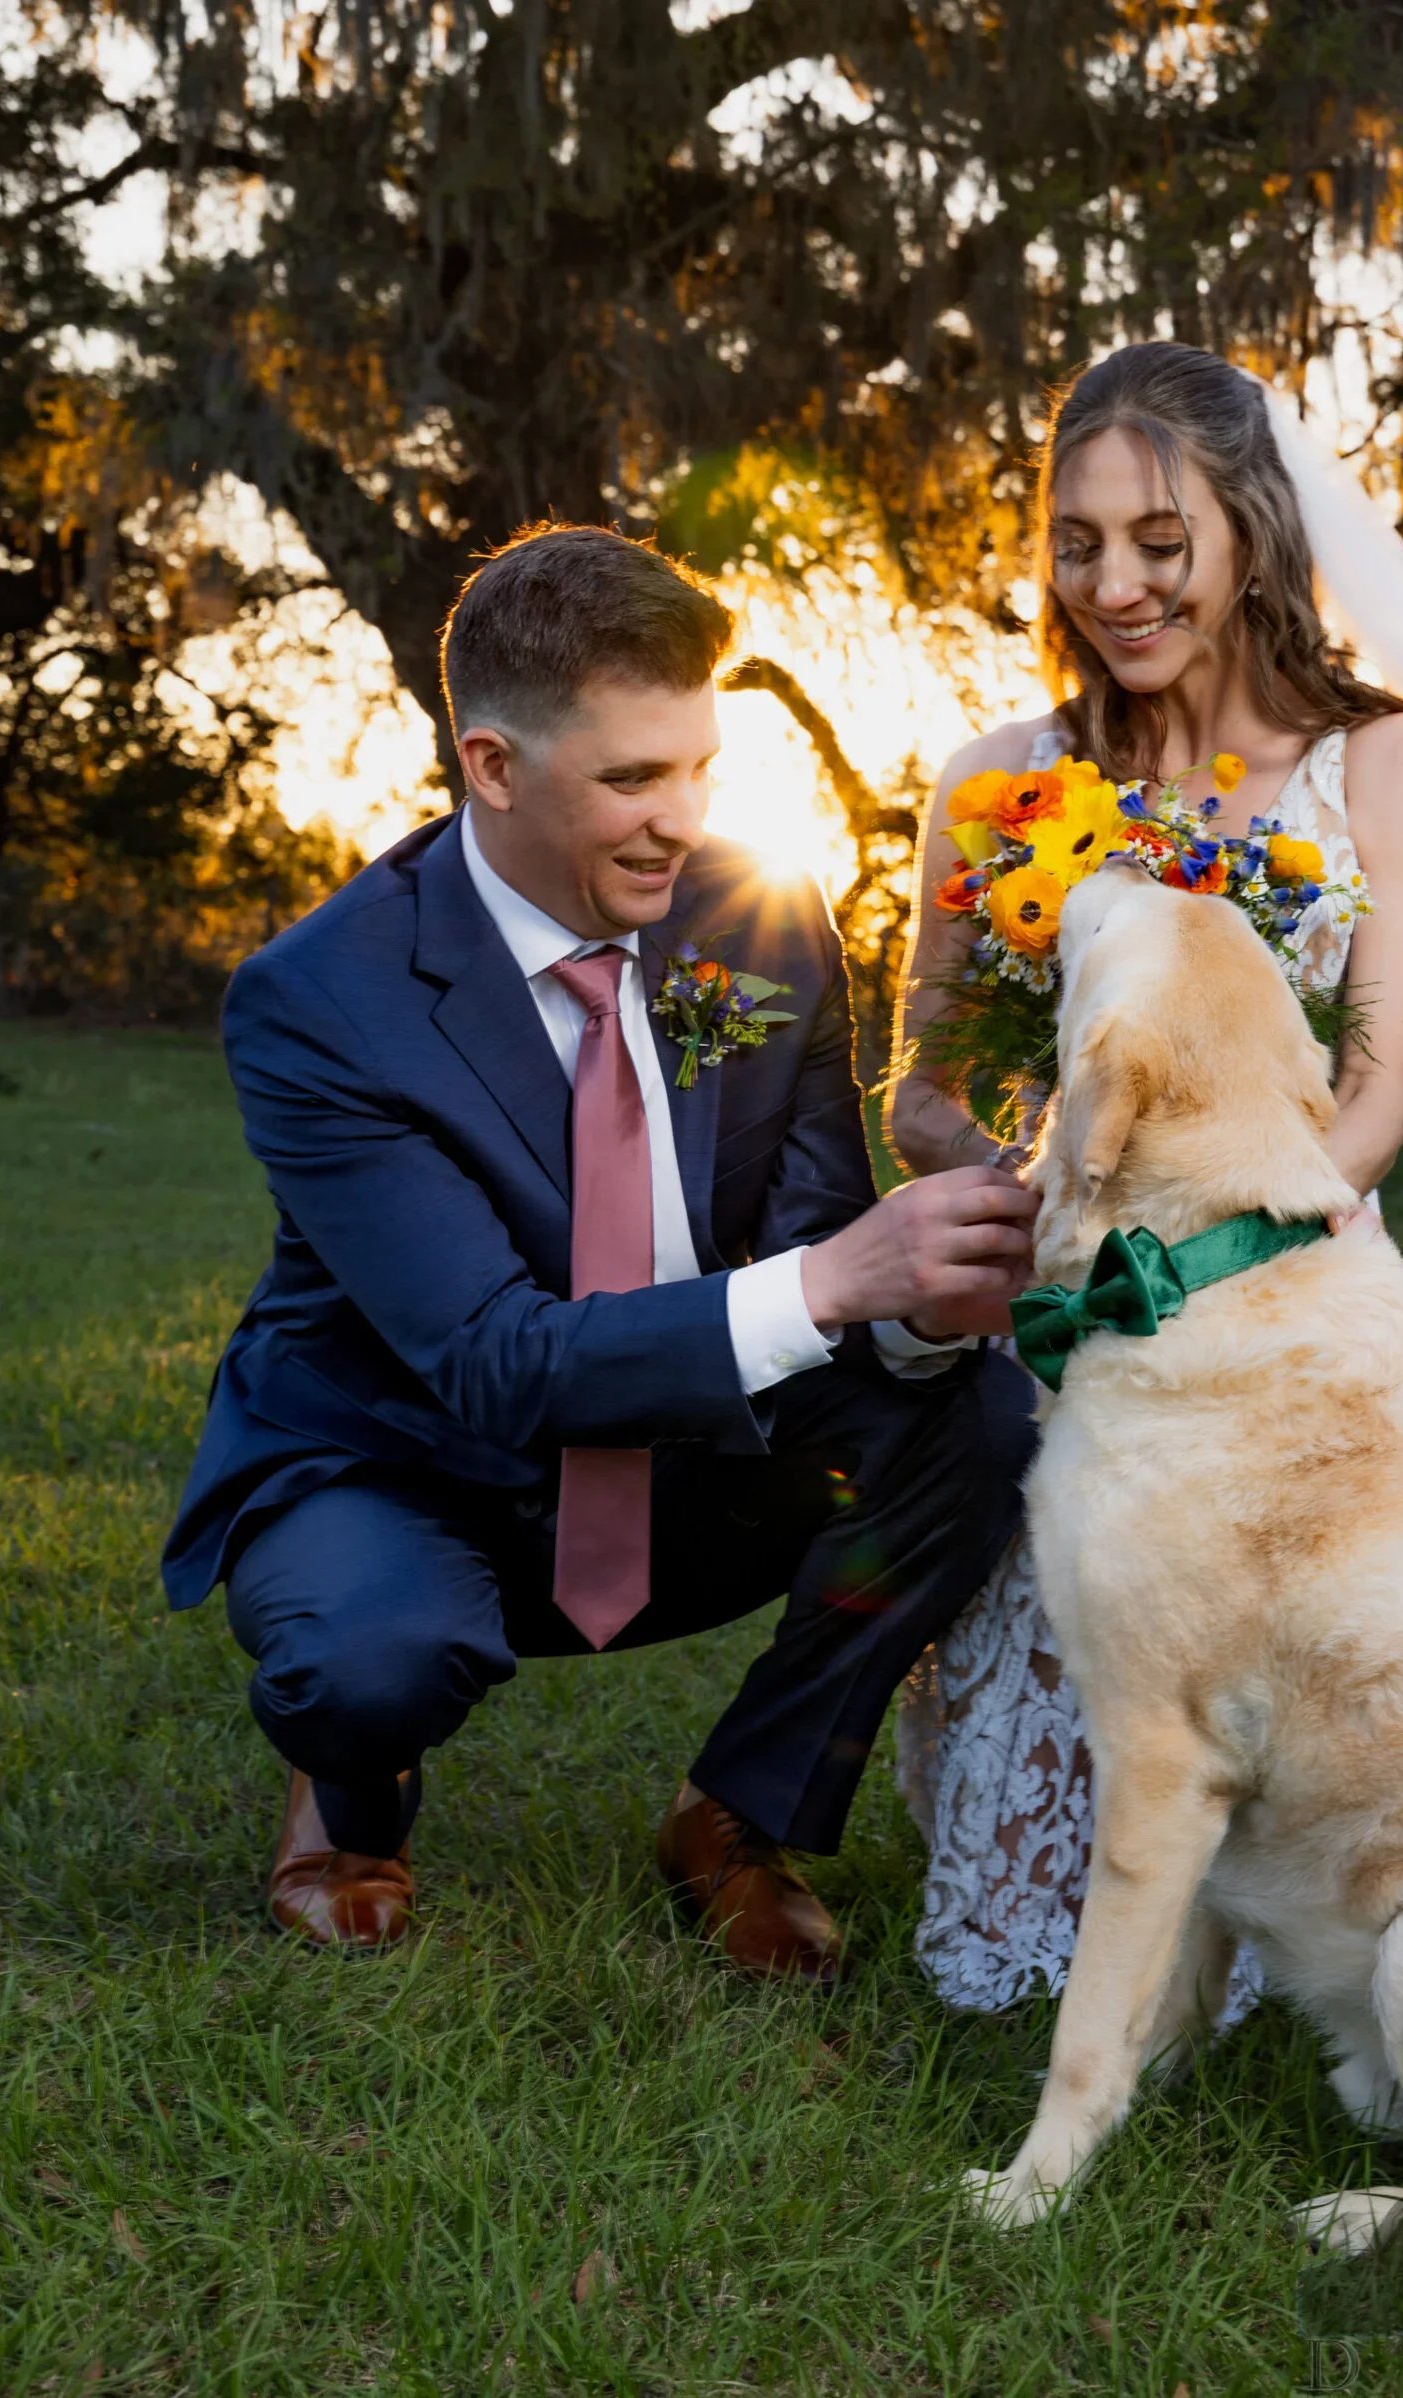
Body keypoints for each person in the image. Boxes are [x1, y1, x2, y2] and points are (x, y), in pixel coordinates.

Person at [163, 522, 1041, 1977]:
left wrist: (932, 1306)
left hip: (687, 1453)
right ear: (493, 767)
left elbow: (817, 1243)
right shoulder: (321, 1000)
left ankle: (735, 1814)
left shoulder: (762, 918)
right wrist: (835, 1282)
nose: (682, 816)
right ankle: (352, 1800)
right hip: (410, 1453)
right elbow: (495, 1360)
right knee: (368, 1655)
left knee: (981, 1419)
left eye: (701, 765)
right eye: (632, 778)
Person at [889, 341, 1403, 2011]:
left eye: (1159, 537)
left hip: (1290, 1294)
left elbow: (1373, 1095)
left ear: (1255, 529)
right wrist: (1034, 1185)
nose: (1114, 584)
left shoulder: (1395, 767)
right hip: (1064, 1303)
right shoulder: (1002, 778)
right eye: (1077, 541)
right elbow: (921, 1081)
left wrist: (1185, 1252)